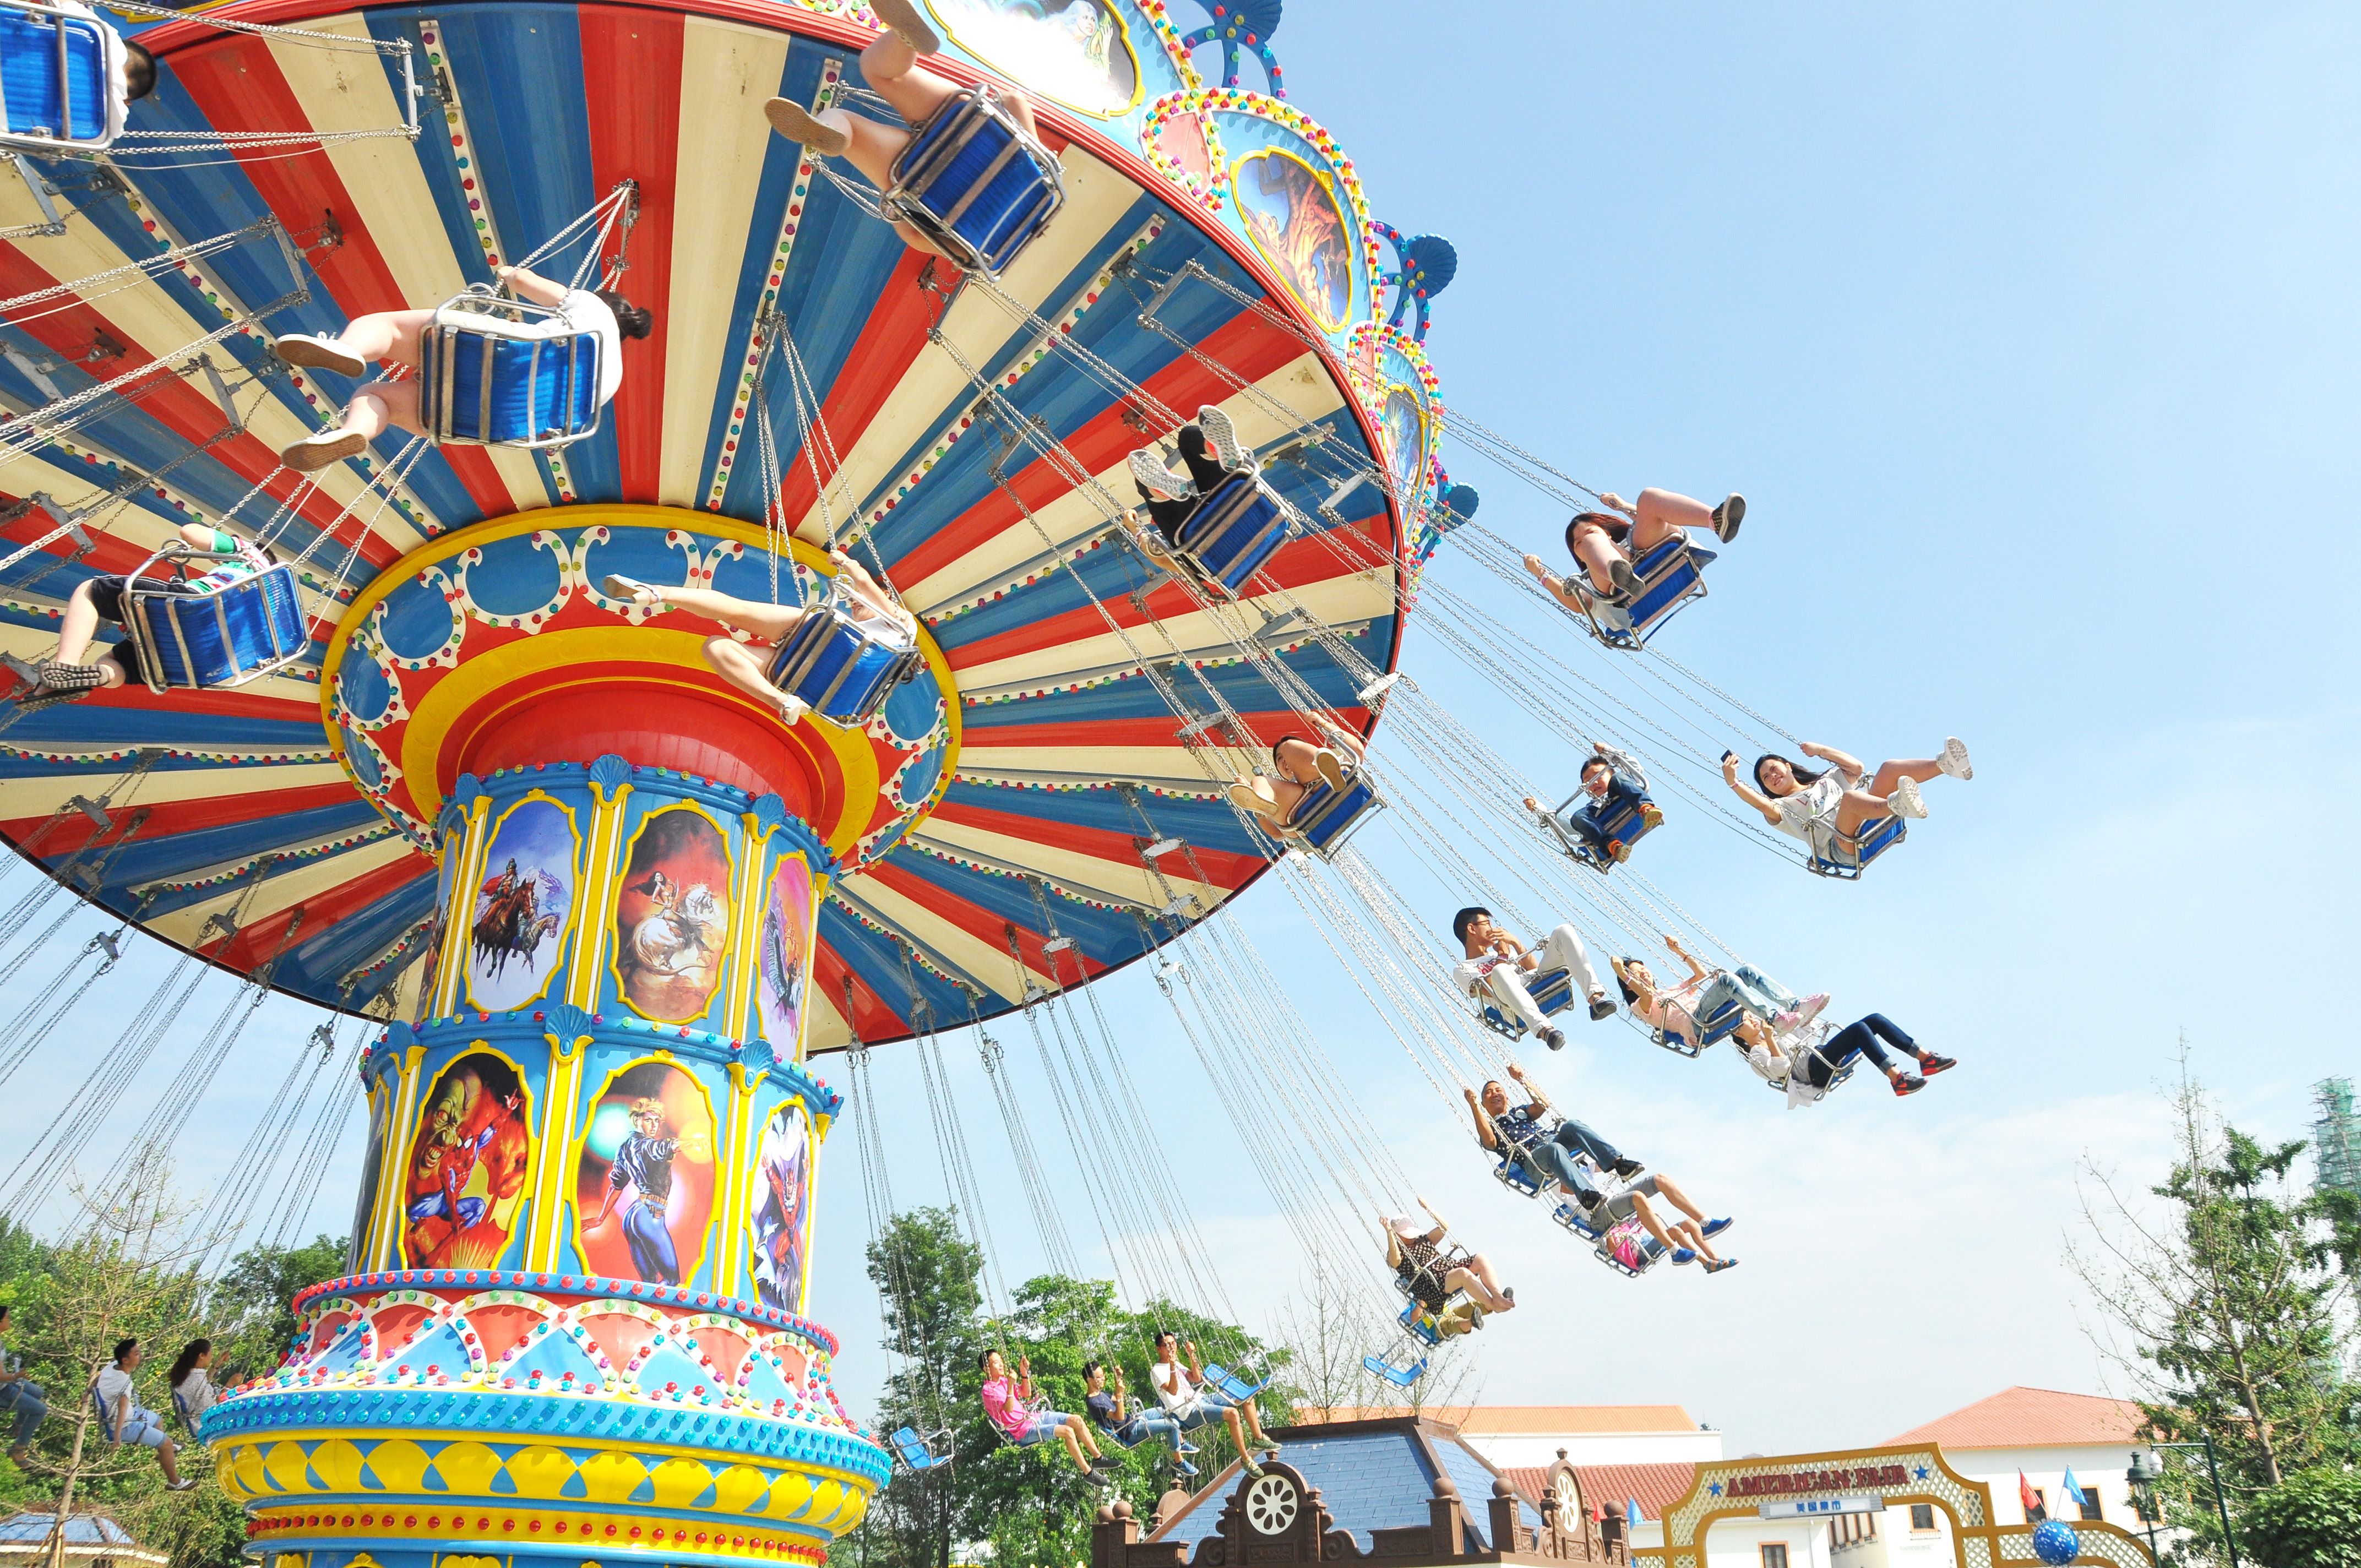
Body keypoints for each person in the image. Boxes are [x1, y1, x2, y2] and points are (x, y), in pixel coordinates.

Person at [272, 262, 654, 472]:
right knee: (375, 398)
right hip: (483, 422)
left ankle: (347, 348)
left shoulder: (591, 307)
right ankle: (354, 433)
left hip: (495, 356)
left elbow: (526, 281)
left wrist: (507, 274)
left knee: (385, 327)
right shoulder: (609, 382)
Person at [762, 0, 1040, 263]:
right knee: (851, 128)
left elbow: (1016, 100)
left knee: (880, 72)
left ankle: (904, 39)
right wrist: (897, 211)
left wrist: (1001, 102)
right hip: (921, 174)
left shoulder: (1039, 183)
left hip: (967, 124)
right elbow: (914, 235)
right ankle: (831, 131)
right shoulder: (981, 252)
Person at [603, 547, 916, 728]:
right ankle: (782, 702)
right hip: (818, 686)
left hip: (829, 641)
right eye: (855, 601)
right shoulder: (897, 646)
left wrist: (845, 562)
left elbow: (863, 580)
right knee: (716, 646)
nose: (855, 602)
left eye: (859, 601)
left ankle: (659, 592)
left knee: (737, 611)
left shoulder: (901, 622)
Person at [13, 522, 278, 709]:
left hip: (191, 608)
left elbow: (189, 532)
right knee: (118, 662)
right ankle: (100, 676)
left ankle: (66, 665)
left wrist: (226, 544)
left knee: (91, 591)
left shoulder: (248, 554)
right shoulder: (271, 607)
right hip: (209, 657)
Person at [1720, 738, 1974, 860]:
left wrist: (1820, 750)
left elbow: (1856, 767)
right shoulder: (1782, 809)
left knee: (1888, 768)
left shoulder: (1827, 780)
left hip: (1866, 820)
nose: (1772, 775)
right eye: (1766, 778)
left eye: (1774, 769)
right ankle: (1897, 804)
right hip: (1842, 845)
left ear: (1787, 766)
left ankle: (1946, 765)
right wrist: (1733, 782)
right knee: (1852, 799)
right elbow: (1759, 803)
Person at [1464, 1067, 1641, 1216]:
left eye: (1498, 1090)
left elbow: (1543, 1105)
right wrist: (1474, 1106)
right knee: (1554, 1149)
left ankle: (1618, 1163)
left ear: (1507, 1098)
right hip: (1534, 1161)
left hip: (1551, 1142)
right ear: (1484, 1104)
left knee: (1572, 1125)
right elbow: (1489, 1141)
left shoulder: (1519, 1112)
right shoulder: (1490, 1127)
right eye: (1488, 1093)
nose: (1494, 1094)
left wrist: (1522, 1080)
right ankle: (1587, 1195)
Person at [1522, 488, 1742, 608]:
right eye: (1577, 544)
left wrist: (1623, 505)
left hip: (1650, 554)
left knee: (1648, 498)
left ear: (1607, 532)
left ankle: (1716, 521)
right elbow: (1580, 605)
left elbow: (1650, 518)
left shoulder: (1629, 541)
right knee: (1595, 547)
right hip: (1615, 592)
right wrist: (1541, 574)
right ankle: (1617, 573)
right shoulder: (1589, 578)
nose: (1584, 540)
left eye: (1591, 531)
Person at [1611, 934, 1828, 1053]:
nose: (1645, 973)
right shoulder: (1639, 1005)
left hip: (1705, 1011)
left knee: (1747, 971)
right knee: (1726, 981)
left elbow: (1700, 974)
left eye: (1644, 969)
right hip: (1696, 1025)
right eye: (1638, 974)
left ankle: (1795, 1005)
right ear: (1629, 985)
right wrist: (1621, 972)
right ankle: (1774, 1018)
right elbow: (1647, 996)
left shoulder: (1671, 991)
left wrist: (1678, 951)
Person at [1450, 906, 1614, 1049]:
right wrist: (1503, 955)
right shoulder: (1463, 969)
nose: (1493, 929)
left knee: (1563, 931)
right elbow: (1488, 989)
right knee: (1500, 970)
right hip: (1508, 1001)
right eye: (1487, 924)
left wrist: (1516, 943)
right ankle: (1545, 1031)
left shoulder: (1502, 951)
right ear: (1472, 929)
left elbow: (1534, 970)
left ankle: (1595, 999)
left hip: (1531, 982)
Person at [15, 4, 157, 146]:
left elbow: (57, 4)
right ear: (127, 100)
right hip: (10, 116)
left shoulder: (100, 32)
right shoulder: (103, 128)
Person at [1745, 1014, 1957, 1105]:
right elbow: (1781, 1070)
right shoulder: (1756, 1055)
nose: (1752, 1019)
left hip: (1819, 1056)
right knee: (1858, 1030)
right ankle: (1898, 1080)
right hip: (1813, 1071)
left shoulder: (1776, 1033)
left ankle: (1926, 1058)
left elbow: (1804, 1033)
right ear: (1738, 1033)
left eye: (1750, 1016)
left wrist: (1798, 1018)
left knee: (1874, 1020)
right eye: (1746, 1020)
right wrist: (1771, 1039)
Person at [1150, 1332, 1280, 1478]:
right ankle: (1246, 1459)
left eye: (1173, 1344)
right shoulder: (1157, 1371)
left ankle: (1259, 1438)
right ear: (1159, 1349)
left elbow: (1196, 1378)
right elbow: (1173, 1391)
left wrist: (1191, 1355)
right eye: (1167, 1345)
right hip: (1189, 1412)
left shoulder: (1177, 1363)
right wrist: (1172, 1367)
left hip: (1202, 1399)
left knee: (1247, 1397)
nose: (1171, 1348)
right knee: (1233, 1414)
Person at [1129, 405, 1254, 548]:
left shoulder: (1276, 534)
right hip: (1195, 535)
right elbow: (1162, 560)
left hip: (1240, 503)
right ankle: (1160, 495)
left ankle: (1212, 449)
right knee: (1145, 482)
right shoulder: (1210, 571)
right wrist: (1137, 532)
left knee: (1187, 438)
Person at [586, 1097, 681, 1285]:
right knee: (671, 1280)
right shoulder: (651, 1146)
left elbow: (616, 1185)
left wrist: (602, 1217)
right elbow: (668, 1146)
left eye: (657, 1121)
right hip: (650, 1213)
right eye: (648, 1120)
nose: (654, 1126)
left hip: (634, 1215)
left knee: (649, 1282)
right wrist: (692, 1142)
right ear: (638, 1121)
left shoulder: (625, 1149)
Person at [980, 1349, 1109, 1485]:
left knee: (1076, 1420)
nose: (1001, 1364)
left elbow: (1026, 1393)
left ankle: (1098, 1458)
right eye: (996, 1362)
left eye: (1001, 1361)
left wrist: (1024, 1374)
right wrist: (1011, 1385)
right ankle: (1088, 1473)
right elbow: (1008, 1409)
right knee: (1067, 1431)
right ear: (986, 1368)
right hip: (1023, 1431)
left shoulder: (1005, 1381)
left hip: (1034, 1418)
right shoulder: (988, 1391)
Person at [1525, 742, 1663, 865]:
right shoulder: (1591, 810)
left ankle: (1646, 809)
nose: (1594, 782)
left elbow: (1634, 767)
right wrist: (1538, 808)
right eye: (1588, 781)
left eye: (1598, 776)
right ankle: (1612, 845)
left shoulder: (1623, 782)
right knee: (1577, 817)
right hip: (1603, 822)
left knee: (1619, 780)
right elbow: (1567, 827)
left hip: (1627, 803)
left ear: (1610, 772)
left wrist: (1607, 752)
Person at [1383, 1198, 1514, 1319]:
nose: (1409, 1238)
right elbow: (1396, 1261)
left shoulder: (1422, 1240)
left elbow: (1443, 1227)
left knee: (1481, 1258)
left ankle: (1498, 1297)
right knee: (1463, 1274)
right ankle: (1492, 1305)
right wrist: (1390, 1233)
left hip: (1448, 1269)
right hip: (1433, 1286)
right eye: (1404, 1236)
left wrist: (1428, 1208)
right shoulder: (1397, 1254)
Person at [1227, 721, 1363, 835]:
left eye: (1285, 756)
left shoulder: (1334, 761)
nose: (1285, 761)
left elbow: (1358, 750)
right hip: (1305, 821)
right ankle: (1260, 799)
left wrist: (1323, 723)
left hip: (1338, 786)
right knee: (1260, 780)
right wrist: (1250, 793)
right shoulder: (1285, 791)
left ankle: (1327, 772)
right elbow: (1276, 835)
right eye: (1280, 760)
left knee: (1287, 746)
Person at [93, 1338, 193, 1490]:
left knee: (158, 1420)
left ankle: (165, 1453)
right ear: (126, 1360)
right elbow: (122, 1408)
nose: (140, 1355)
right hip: (125, 1425)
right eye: (136, 1353)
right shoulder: (124, 1383)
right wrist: (117, 1438)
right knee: (166, 1442)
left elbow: (98, 1378)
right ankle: (175, 1482)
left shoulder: (112, 1366)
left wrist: (89, 1391)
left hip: (130, 1413)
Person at [1596, 1174, 1737, 1275]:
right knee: (1676, 1231)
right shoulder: (1607, 1232)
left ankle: (1715, 1257)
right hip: (1639, 1253)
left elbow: (1640, 1215)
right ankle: (1707, 1263)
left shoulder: (1624, 1221)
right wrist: (1611, 1233)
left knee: (1691, 1224)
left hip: (1645, 1241)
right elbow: (1611, 1249)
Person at [1082, 1360, 1196, 1476]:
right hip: (1130, 1431)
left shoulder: (1100, 1394)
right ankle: (1179, 1462)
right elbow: (1120, 1417)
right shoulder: (1094, 1403)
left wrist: (1118, 1379)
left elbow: (1117, 1398)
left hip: (1134, 1420)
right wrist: (1120, 1394)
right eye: (1100, 1377)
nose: (1103, 1379)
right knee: (1172, 1426)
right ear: (1090, 1380)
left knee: (1165, 1410)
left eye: (1103, 1375)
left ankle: (1181, 1443)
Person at [0, 1304, 45, 1468]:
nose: (10, 1321)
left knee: (38, 1392)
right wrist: (16, 1376)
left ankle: (17, 1426)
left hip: (6, 1382)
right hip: (2, 1390)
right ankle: (18, 1449)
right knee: (40, 1410)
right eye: (8, 1318)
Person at [165, 1339, 217, 1428]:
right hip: (207, 1424)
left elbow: (204, 1383)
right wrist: (229, 1386)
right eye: (211, 1354)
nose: (212, 1357)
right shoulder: (196, 1379)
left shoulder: (187, 1375)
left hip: (198, 1421)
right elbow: (211, 1407)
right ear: (202, 1355)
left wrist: (219, 1363)